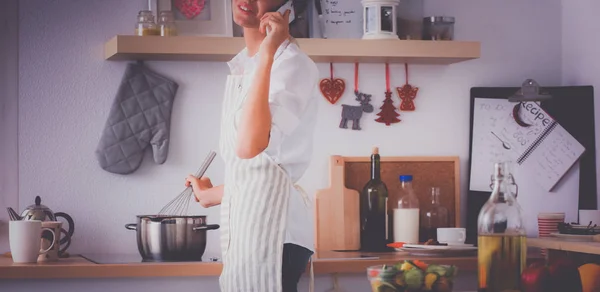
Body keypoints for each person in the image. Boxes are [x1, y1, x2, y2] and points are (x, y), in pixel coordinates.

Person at [184, 0, 318, 291]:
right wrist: (211, 195)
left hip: (276, 235)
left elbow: (249, 146)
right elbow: (259, 170)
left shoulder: (292, 65)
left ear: (287, 8)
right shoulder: (245, 63)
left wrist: (268, 54)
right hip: (248, 225)